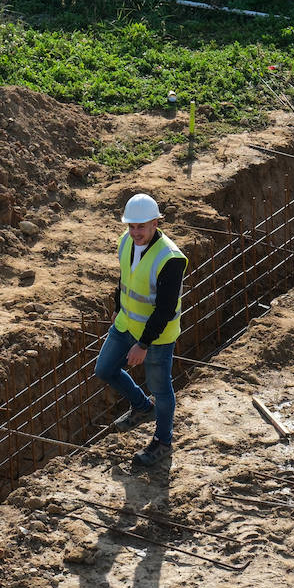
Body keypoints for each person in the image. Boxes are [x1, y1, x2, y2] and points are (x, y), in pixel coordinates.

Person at [94, 193, 188, 467]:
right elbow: (125, 276)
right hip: (126, 322)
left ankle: (163, 441)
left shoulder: (170, 259)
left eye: (141, 227)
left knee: (160, 388)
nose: (135, 233)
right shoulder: (125, 241)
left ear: (156, 223)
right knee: (104, 369)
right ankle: (141, 406)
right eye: (131, 226)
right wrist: (116, 306)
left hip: (157, 336)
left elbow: (165, 309)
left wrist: (143, 344)